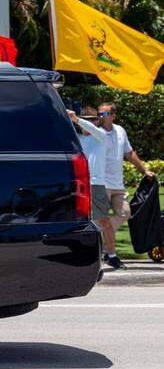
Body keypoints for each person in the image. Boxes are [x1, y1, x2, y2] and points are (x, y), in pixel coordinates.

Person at [98, 102, 154, 268]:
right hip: (100, 184)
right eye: (99, 114)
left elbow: (129, 153)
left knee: (125, 213)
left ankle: (102, 236)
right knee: (102, 220)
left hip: (118, 184)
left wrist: (144, 170)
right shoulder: (95, 132)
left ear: (113, 115)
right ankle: (110, 254)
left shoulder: (120, 131)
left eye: (105, 114)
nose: (101, 117)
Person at [70, 107, 121, 268]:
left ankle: (112, 255)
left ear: (98, 121)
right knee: (80, 222)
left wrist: (78, 119)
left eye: (93, 119)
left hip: (96, 185)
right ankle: (88, 257)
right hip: (79, 185)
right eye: (87, 119)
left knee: (103, 222)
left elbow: (91, 128)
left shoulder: (102, 136)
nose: (91, 122)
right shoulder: (76, 138)